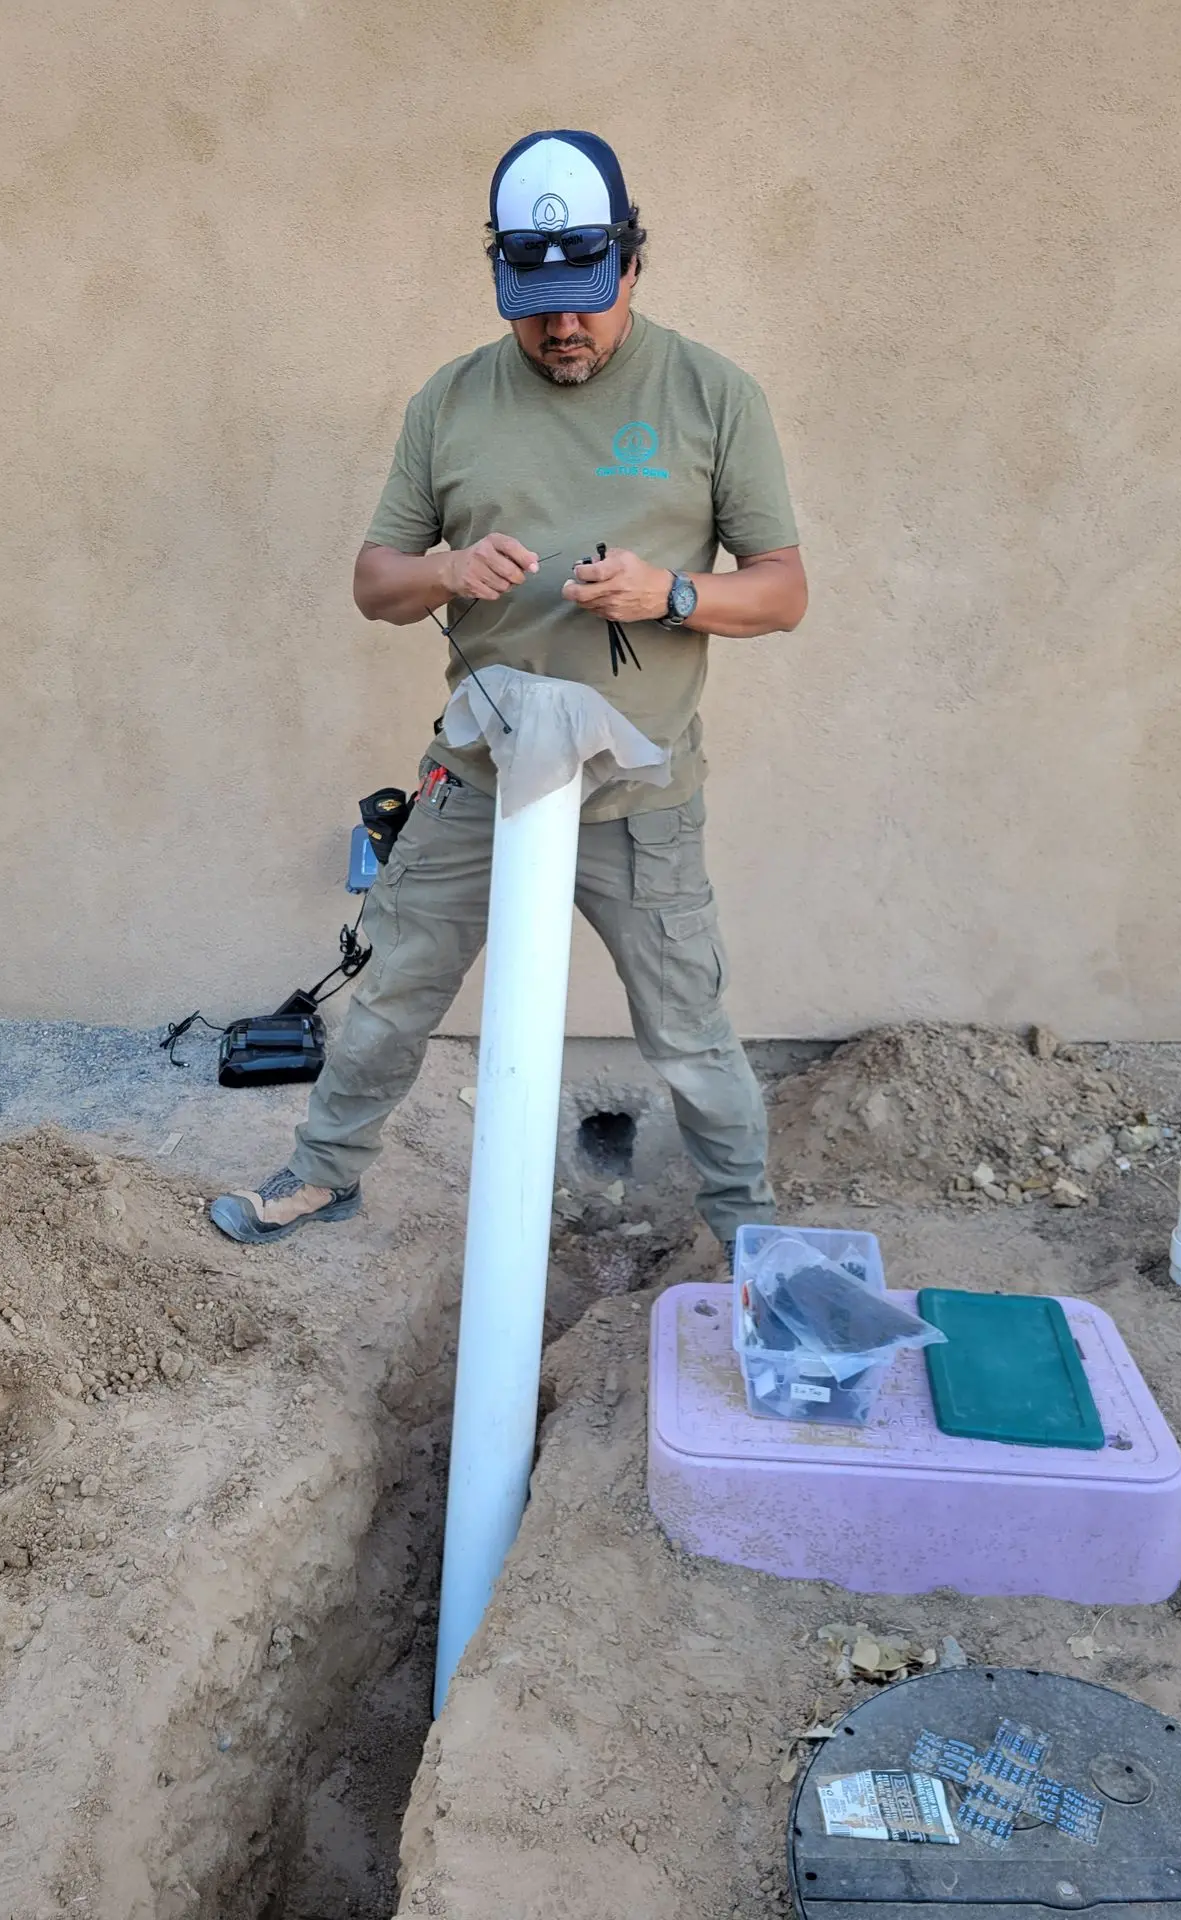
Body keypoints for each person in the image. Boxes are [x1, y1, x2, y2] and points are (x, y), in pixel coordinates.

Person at [211, 128, 807, 1251]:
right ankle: (324, 1173)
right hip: (480, 778)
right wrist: (445, 570)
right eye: (535, 306)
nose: (562, 329)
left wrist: (672, 593)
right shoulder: (450, 401)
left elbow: (783, 592)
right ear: (501, 278)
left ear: (633, 265)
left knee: (686, 1028)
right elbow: (374, 584)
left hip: (639, 797)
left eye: (585, 300)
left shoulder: (714, 394)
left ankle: (748, 1231)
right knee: (393, 991)